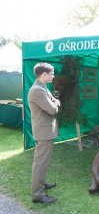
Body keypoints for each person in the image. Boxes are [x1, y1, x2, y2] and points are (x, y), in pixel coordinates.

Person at [28, 62, 60, 204]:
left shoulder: (42, 87)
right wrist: (57, 102)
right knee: (40, 162)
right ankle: (37, 194)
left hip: (45, 130)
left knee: (42, 161)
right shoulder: (38, 90)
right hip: (44, 131)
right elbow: (53, 109)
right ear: (44, 74)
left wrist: (54, 101)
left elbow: (52, 102)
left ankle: (41, 185)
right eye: (52, 74)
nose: (53, 76)